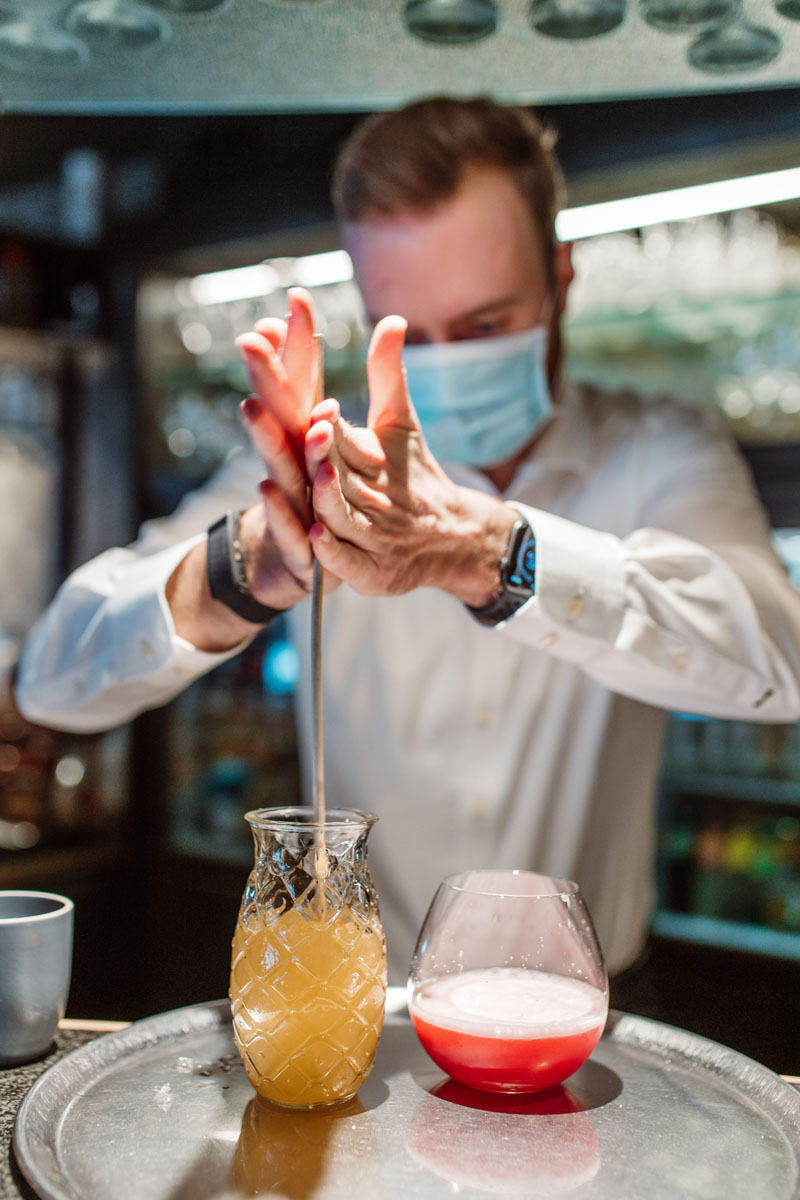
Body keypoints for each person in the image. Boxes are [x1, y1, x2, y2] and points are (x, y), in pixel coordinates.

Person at [15, 97, 800, 993]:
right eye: (412, 337)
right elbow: (54, 677)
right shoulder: (323, 460)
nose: (449, 364)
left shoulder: (659, 448)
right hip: (361, 1007)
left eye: (482, 328)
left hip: (589, 1007)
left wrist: (489, 553)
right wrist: (245, 571)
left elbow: (780, 656)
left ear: (561, 277)